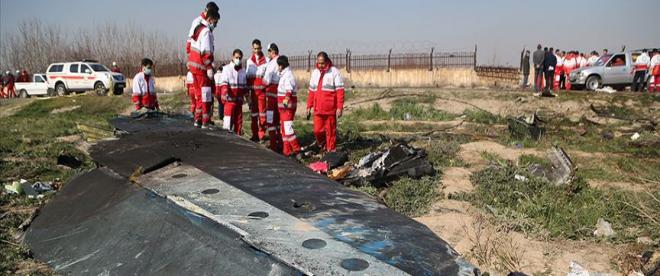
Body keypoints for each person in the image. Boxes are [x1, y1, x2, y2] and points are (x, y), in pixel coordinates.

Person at [187, 9, 220, 128]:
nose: (215, 25)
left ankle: (198, 119)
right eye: (215, 23)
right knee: (206, 95)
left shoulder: (198, 28)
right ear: (210, 19)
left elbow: (190, 45)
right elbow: (206, 51)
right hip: (201, 68)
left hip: (194, 67)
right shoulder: (206, 32)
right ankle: (205, 121)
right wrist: (209, 67)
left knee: (199, 96)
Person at [307, 52, 345, 153]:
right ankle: (323, 144)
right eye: (319, 63)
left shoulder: (334, 72)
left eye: (322, 63)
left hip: (330, 109)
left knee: (331, 132)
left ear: (327, 61)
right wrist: (309, 106)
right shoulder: (315, 73)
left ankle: (331, 151)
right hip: (318, 109)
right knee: (317, 131)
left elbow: (340, 91)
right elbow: (311, 91)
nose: (320, 65)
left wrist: (339, 107)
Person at [276, 56, 302, 159]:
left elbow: (289, 90)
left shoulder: (288, 75)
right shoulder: (284, 75)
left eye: (278, 65)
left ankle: (297, 150)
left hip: (287, 107)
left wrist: (286, 99)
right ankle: (286, 151)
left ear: (281, 66)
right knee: (284, 130)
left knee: (288, 129)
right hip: (283, 108)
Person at [218, 49, 247, 133]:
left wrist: (248, 99)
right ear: (233, 57)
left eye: (240, 58)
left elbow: (244, 87)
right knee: (228, 121)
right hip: (229, 100)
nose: (238, 59)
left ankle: (238, 137)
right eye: (236, 57)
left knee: (238, 122)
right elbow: (224, 83)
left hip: (239, 101)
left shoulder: (243, 71)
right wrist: (224, 93)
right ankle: (226, 139)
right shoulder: (227, 69)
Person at [246, 39, 269, 142]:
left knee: (262, 114)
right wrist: (248, 95)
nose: (257, 50)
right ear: (252, 48)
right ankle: (254, 135)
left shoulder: (267, 61)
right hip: (253, 93)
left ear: (261, 48)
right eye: (255, 48)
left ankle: (261, 135)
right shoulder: (249, 61)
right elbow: (247, 78)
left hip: (262, 93)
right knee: (254, 115)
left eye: (258, 48)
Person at [262, 43, 283, 152]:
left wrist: (262, 78)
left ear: (272, 51)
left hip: (271, 95)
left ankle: (273, 145)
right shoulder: (282, 61)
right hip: (280, 94)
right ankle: (281, 143)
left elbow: (266, 80)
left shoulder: (271, 64)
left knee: (270, 121)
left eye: (268, 52)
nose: (268, 54)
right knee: (279, 121)